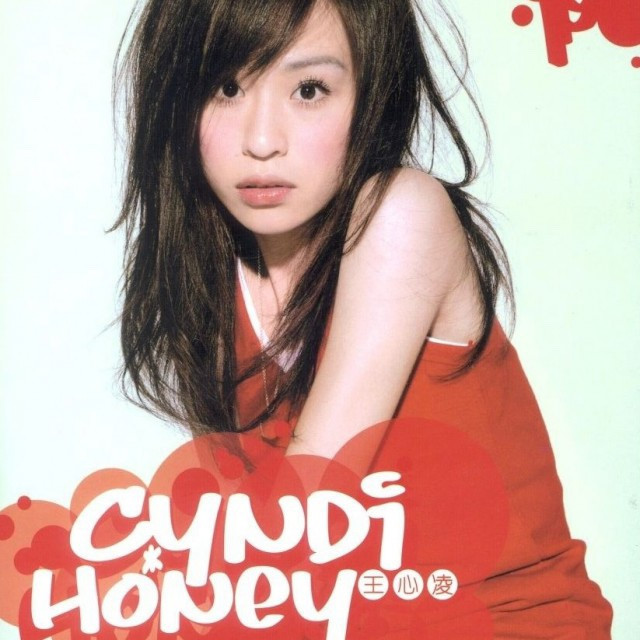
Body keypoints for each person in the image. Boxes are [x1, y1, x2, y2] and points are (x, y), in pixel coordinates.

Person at [113, 0, 613, 636]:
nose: (261, 141)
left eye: (309, 90)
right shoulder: (213, 274)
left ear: (372, 93)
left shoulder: (401, 214)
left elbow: (297, 526)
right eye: (226, 88)